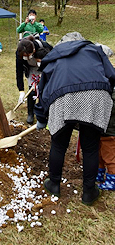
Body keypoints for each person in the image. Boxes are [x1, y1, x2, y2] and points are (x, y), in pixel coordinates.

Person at [35, 40, 115, 205]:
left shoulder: (55, 55)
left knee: (58, 145)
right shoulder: (94, 50)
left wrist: (42, 118)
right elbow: (112, 75)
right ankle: (89, 191)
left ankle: (54, 184)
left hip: (62, 98)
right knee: (90, 147)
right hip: (95, 95)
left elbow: (42, 89)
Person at [16, 36, 52, 125]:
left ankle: (42, 113)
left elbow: (53, 58)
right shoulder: (19, 52)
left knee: (43, 91)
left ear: (33, 51)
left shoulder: (43, 46)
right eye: (24, 56)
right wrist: (21, 91)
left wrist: (44, 72)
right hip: (32, 70)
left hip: (44, 67)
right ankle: (30, 113)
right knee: (32, 91)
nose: (26, 58)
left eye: (28, 56)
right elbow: (19, 71)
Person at [97, 88, 115, 190]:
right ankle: (99, 172)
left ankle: (112, 179)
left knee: (110, 156)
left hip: (110, 130)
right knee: (100, 152)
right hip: (102, 128)